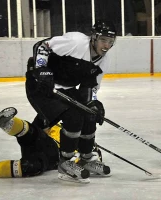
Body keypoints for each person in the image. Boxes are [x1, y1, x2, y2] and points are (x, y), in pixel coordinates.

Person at [24, 19, 116, 183]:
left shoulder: (104, 60)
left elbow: (92, 86)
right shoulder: (76, 42)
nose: (106, 45)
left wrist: (93, 103)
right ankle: (65, 163)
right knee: (74, 116)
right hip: (41, 87)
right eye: (103, 39)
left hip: (66, 89)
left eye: (110, 41)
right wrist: (41, 69)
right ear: (93, 37)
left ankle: (86, 159)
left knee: (89, 114)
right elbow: (42, 45)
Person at [0, 107, 102, 180]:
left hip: (49, 159)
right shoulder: (60, 125)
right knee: (32, 133)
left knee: (31, 166)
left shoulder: (85, 146)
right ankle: (7, 123)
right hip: (47, 144)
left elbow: (91, 159)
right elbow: (40, 123)